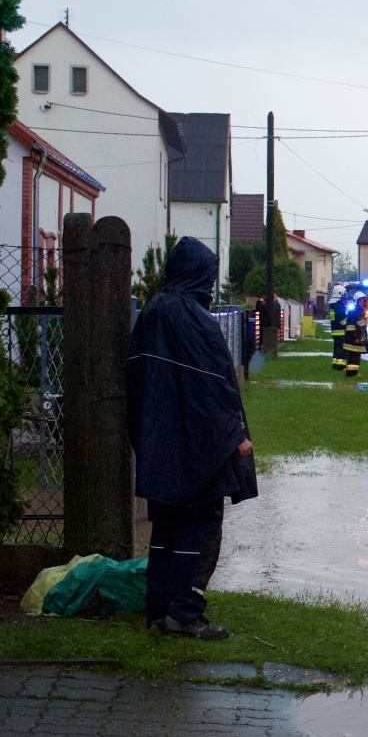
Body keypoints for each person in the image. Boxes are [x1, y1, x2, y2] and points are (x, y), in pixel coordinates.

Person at [127, 236, 257, 640]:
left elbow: (137, 382)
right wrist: (234, 435)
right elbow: (214, 385)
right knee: (201, 525)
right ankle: (185, 612)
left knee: (164, 527)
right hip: (199, 446)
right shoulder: (194, 320)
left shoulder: (151, 314)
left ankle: (159, 608)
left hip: (159, 442)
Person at [338, 289, 368, 377]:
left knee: (356, 357)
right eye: (361, 300)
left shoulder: (360, 311)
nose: (362, 302)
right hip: (354, 339)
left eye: (363, 300)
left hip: (358, 338)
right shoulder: (354, 311)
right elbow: (350, 326)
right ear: (356, 301)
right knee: (353, 357)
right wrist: (356, 338)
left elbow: (361, 325)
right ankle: (351, 374)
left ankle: (354, 373)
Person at [328, 283, 348, 371]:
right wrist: (350, 322)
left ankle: (335, 365)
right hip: (341, 330)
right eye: (344, 295)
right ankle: (341, 366)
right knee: (341, 349)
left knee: (336, 348)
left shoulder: (333, 306)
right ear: (340, 294)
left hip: (334, 330)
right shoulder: (339, 306)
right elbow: (342, 320)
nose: (345, 296)